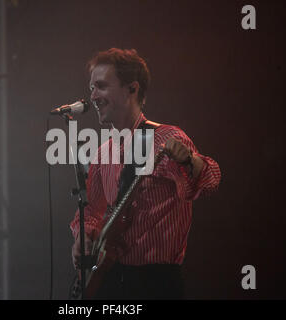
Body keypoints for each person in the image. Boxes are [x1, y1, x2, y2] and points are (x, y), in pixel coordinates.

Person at [70, 48, 221, 299]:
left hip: (153, 282)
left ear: (132, 88)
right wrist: (83, 237)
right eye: (91, 88)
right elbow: (90, 212)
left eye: (101, 86)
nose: (93, 96)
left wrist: (189, 159)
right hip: (109, 278)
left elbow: (211, 179)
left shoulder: (165, 138)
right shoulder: (102, 152)